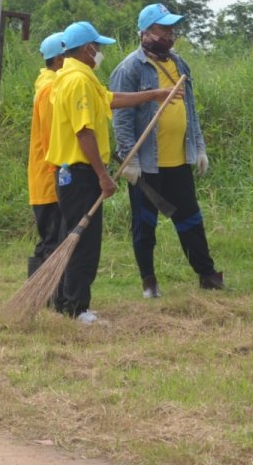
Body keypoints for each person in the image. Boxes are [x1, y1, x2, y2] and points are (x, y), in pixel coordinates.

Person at [46, 20, 178, 324]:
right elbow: (84, 132)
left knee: (73, 236)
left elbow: (110, 100)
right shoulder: (78, 81)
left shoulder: (76, 77)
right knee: (84, 242)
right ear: (86, 48)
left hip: (72, 173)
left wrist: (154, 95)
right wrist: (102, 175)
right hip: (80, 173)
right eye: (98, 47)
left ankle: (66, 301)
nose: (100, 52)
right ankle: (77, 307)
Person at [109, 2, 223, 298]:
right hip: (146, 164)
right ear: (145, 32)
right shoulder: (129, 68)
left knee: (191, 220)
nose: (169, 34)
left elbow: (191, 110)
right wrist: (128, 158)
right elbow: (121, 118)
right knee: (145, 225)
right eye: (162, 29)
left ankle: (207, 275)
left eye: (172, 28)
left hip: (178, 161)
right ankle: (149, 282)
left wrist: (199, 148)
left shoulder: (179, 64)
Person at [24, 32, 66, 280]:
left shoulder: (50, 85)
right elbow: (53, 138)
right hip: (51, 178)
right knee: (52, 240)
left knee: (50, 239)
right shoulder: (50, 90)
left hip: (49, 177)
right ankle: (44, 295)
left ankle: (40, 294)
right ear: (60, 59)